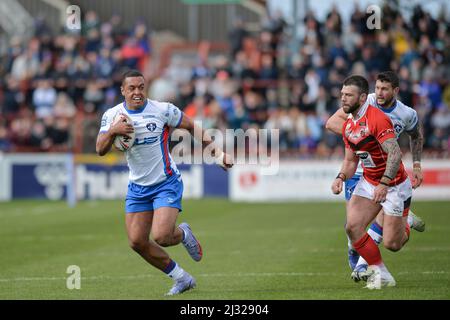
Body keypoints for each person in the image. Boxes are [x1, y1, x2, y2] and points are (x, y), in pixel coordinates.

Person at [96, 70, 233, 295]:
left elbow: (192, 126)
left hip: (165, 182)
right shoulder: (112, 115)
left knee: (161, 236)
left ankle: (183, 234)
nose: (137, 92)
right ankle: (182, 278)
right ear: (123, 91)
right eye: (131, 88)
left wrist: (218, 155)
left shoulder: (162, 110)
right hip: (137, 187)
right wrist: (114, 131)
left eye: (141, 87)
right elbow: (100, 149)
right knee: (137, 242)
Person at [326, 71, 425, 281]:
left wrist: (416, 165)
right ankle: (369, 269)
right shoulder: (360, 108)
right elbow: (332, 125)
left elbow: (411, 139)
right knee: (352, 228)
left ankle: (401, 221)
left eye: (384, 89)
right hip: (364, 174)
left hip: (390, 177)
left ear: (395, 91)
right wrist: (341, 175)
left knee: (393, 244)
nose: (378, 93)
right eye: (377, 88)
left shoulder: (402, 114)